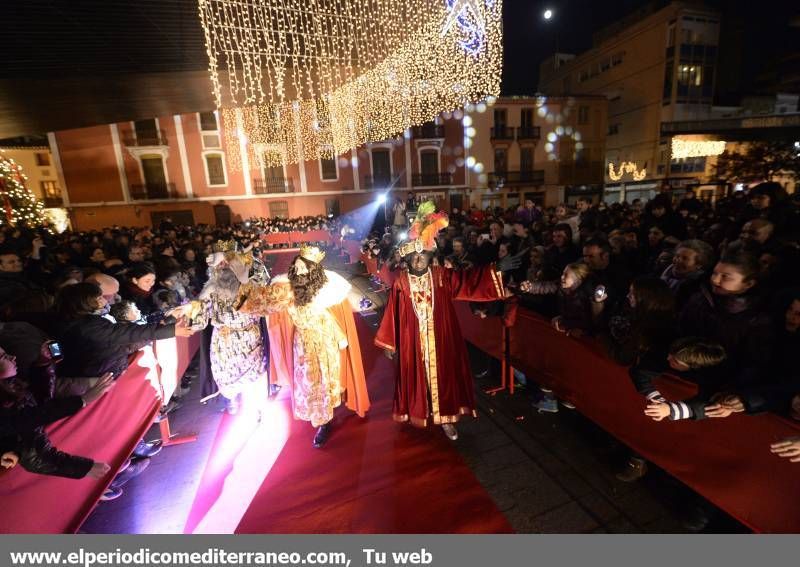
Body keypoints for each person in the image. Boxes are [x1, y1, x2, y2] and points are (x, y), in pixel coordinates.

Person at [374, 202, 512, 440]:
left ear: (430, 256)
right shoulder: (401, 282)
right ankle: (420, 411)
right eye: (414, 256)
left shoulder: (442, 277)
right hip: (413, 341)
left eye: (423, 255)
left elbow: (468, 283)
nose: (418, 260)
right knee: (417, 378)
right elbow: (393, 311)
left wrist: (495, 270)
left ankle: (446, 419)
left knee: (444, 378)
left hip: (441, 339)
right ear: (407, 260)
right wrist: (390, 342)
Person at [238, 245, 369, 448]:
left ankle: (326, 421)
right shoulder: (287, 289)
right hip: (303, 344)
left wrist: (342, 332)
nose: (298, 271)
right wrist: (243, 282)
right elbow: (261, 301)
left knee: (327, 380)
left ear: (312, 271)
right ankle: (321, 420)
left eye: (302, 268)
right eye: (296, 267)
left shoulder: (327, 288)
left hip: (326, 342)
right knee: (309, 382)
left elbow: (334, 312)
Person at [186, 240, 269, 416]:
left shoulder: (254, 272)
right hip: (224, 340)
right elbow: (199, 319)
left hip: (250, 336)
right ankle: (231, 398)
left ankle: (258, 405)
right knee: (226, 374)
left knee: (255, 373)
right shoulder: (212, 285)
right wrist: (193, 309)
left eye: (229, 260)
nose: (225, 265)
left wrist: (228, 257)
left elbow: (256, 279)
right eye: (222, 262)